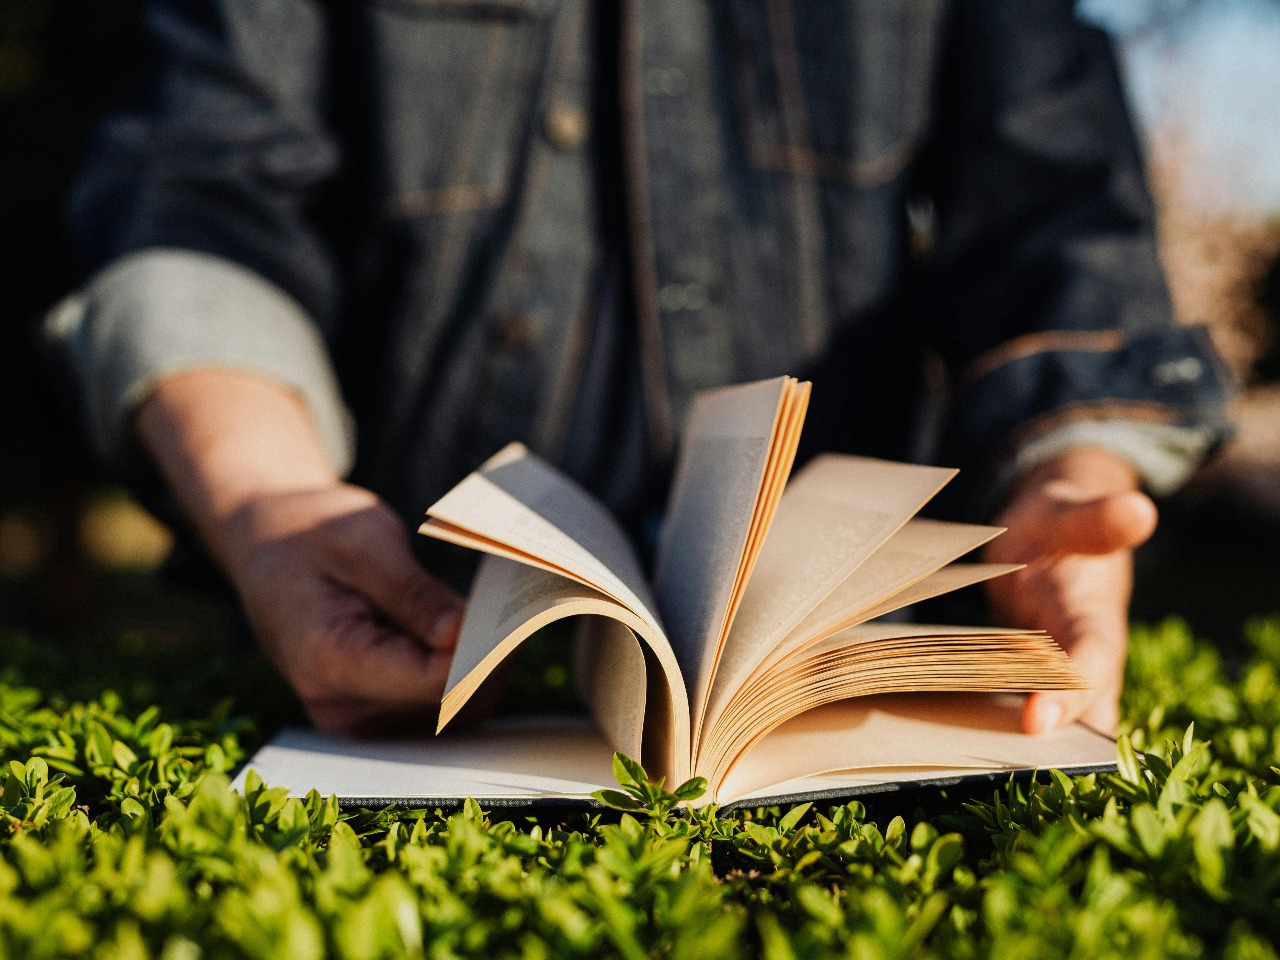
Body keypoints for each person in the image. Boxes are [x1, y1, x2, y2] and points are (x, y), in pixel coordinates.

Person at [46, 0, 1232, 737]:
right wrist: (268, 507)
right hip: (415, 641)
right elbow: (198, 190)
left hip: (831, 660)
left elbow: (1051, 202)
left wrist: (1067, 475)